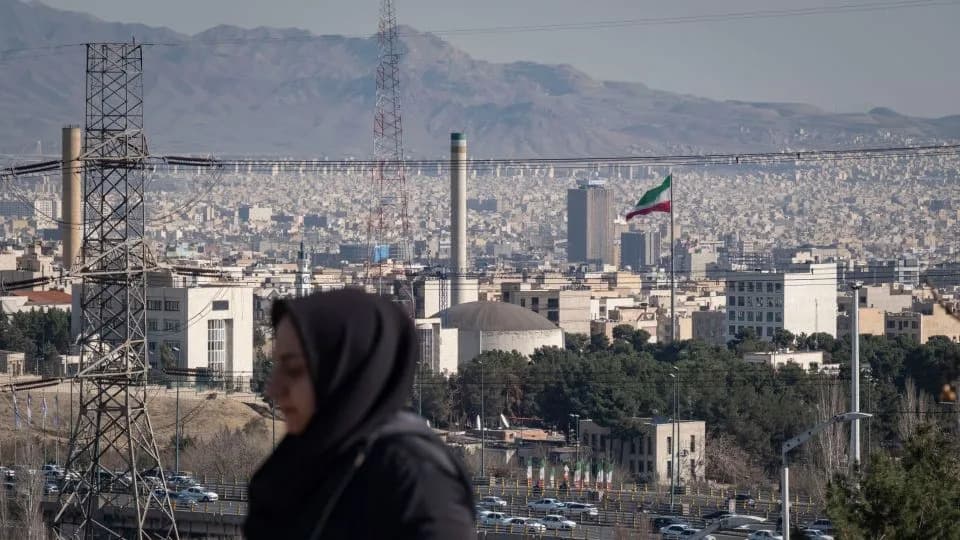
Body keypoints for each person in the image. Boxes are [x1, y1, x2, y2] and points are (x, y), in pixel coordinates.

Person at [244, 289, 475, 540]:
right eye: (277, 366)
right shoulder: (302, 463)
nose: (274, 388)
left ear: (346, 372)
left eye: (294, 369)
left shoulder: (416, 482)